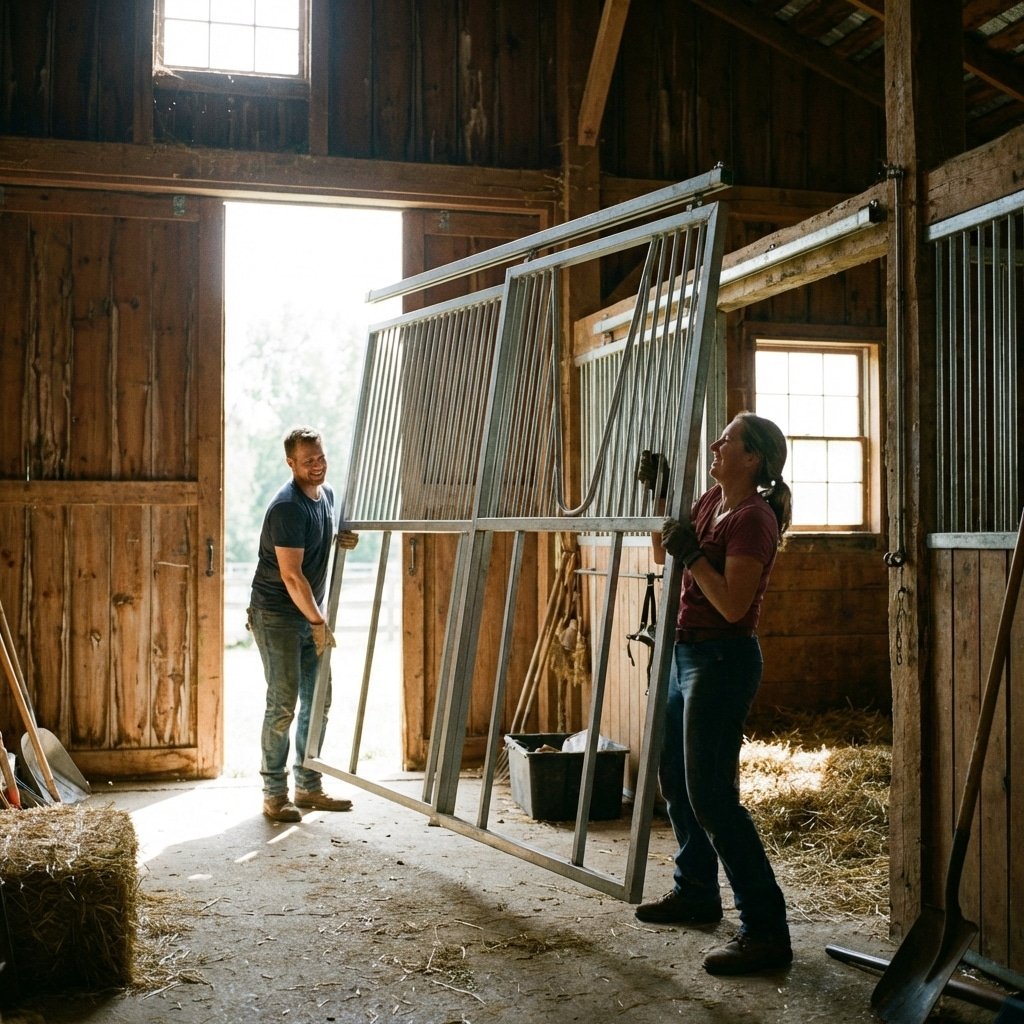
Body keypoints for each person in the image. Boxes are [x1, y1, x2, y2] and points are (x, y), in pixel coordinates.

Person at [634, 412, 793, 975]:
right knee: (676, 780)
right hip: (685, 653)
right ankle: (697, 890)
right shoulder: (709, 502)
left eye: (727, 441)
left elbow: (731, 604)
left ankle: (766, 929)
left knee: (712, 795)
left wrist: (694, 555)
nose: (716, 446)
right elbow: (663, 555)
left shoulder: (753, 519)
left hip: (722, 659)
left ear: (752, 459)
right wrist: (659, 500)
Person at [248, 426, 359, 823]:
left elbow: (313, 539)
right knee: (283, 703)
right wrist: (317, 621)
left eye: (321, 457)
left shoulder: (325, 496)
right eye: (308, 461)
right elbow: (292, 576)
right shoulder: (287, 506)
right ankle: (274, 794)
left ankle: (308, 786)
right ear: (291, 463)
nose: (318, 466)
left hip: (309, 613)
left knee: (319, 700)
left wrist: (338, 538)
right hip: (277, 614)